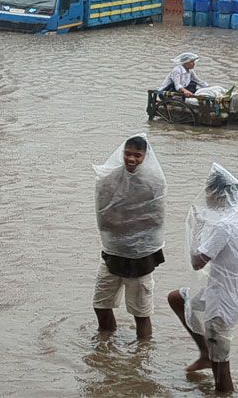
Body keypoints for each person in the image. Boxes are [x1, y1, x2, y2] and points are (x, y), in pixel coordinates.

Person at [168, 164, 238, 393]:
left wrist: (198, 227)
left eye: (208, 192)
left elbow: (197, 261)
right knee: (177, 298)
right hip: (231, 293)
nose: (206, 197)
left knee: (223, 376)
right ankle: (205, 354)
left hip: (222, 301)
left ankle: (220, 382)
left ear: (217, 194)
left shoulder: (224, 226)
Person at [94, 134, 166, 341]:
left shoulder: (153, 183)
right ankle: (105, 344)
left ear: (145, 156)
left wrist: (122, 221)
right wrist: (128, 222)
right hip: (112, 255)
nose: (131, 159)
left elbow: (156, 221)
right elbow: (103, 218)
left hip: (141, 258)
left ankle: (142, 354)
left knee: (141, 313)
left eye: (137, 155)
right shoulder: (110, 179)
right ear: (122, 154)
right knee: (100, 304)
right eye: (128, 154)